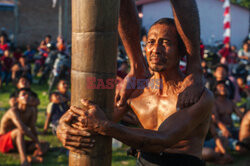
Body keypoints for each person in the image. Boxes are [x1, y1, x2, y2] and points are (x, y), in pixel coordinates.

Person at [57, 0, 213, 165]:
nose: (156, 49)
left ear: (182, 51)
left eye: (166, 43)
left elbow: (163, 140)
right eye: (151, 42)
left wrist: (104, 126)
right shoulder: (136, 88)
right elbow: (91, 119)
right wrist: (64, 124)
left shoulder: (196, 94)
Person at [0, 88, 49, 166]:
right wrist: (36, 140)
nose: (27, 96)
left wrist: (38, 144)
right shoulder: (13, 111)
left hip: (18, 141)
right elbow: (22, 129)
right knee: (19, 131)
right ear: (17, 99)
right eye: (23, 94)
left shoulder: (31, 110)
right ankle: (24, 160)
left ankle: (33, 157)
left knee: (45, 144)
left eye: (29, 95)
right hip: (3, 142)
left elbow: (32, 128)